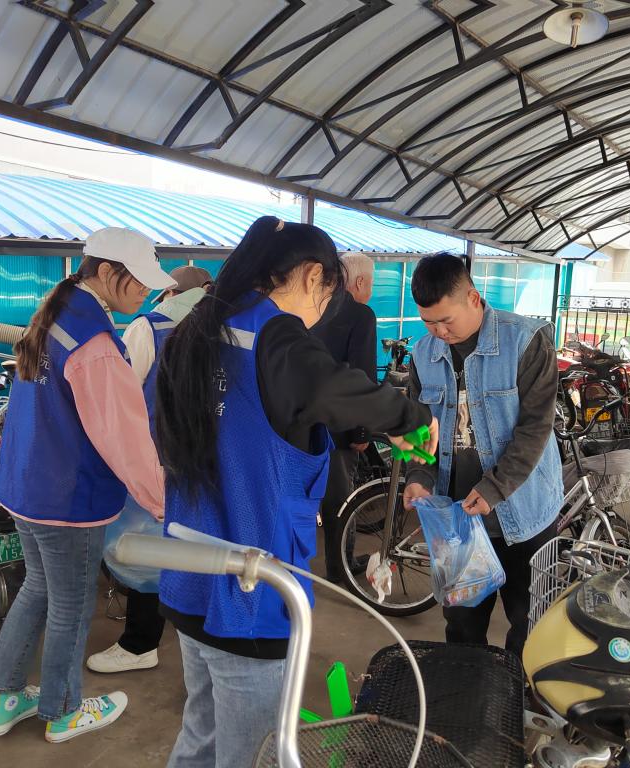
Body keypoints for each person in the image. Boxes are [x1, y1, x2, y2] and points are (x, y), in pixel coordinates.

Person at [154, 216, 436, 768]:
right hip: (251, 590)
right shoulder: (273, 333)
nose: (321, 315)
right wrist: (412, 417)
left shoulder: (198, 328)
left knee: (201, 734)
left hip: (189, 574)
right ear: (312, 277)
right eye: (326, 297)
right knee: (254, 754)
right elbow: (331, 385)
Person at [0, 227, 173, 743]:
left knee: (38, 588)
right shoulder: (96, 343)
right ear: (106, 272)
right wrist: (161, 501)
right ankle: (62, 710)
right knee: (71, 605)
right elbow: (124, 437)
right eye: (138, 280)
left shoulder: (53, 318)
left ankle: (5, 698)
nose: (146, 291)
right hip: (68, 500)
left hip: (26, 487)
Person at [401, 254, 561, 659]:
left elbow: (535, 429)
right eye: (428, 323)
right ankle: (471, 693)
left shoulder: (525, 341)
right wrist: (419, 476)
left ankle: (520, 694)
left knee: (531, 624)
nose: (439, 332)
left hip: (524, 515)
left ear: (473, 298)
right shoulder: (423, 354)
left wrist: (494, 488)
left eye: (446, 321)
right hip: (458, 521)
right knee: (462, 628)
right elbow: (419, 428)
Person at [87, 265, 211, 674]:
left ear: (169, 293)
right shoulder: (221, 329)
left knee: (145, 550)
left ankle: (140, 644)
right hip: (202, 459)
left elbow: (121, 395)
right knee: (192, 545)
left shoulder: (149, 327)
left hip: (153, 458)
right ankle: (189, 627)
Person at [309, 252, 378, 583]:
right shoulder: (360, 314)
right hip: (338, 426)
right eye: (371, 283)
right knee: (340, 500)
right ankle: (340, 570)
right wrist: (362, 430)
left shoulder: (314, 307)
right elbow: (361, 374)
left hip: (301, 422)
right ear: (360, 282)